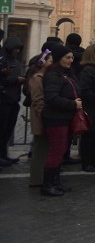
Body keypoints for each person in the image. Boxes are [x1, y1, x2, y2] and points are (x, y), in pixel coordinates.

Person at [40, 45, 82, 196]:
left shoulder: (64, 74)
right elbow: (51, 98)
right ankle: (47, 185)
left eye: (72, 57)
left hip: (64, 117)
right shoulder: (53, 75)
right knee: (56, 151)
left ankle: (56, 182)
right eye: (68, 57)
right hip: (55, 118)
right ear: (59, 59)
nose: (71, 60)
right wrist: (73, 104)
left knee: (61, 149)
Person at [24, 49, 53, 187]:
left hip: (44, 116)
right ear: (43, 62)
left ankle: (41, 177)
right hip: (41, 117)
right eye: (50, 61)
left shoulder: (43, 77)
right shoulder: (36, 78)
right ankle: (36, 179)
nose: (52, 63)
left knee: (43, 148)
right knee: (39, 149)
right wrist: (46, 116)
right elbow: (37, 101)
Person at [78, 44, 95, 172]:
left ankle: (93, 159)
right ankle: (86, 162)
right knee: (89, 136)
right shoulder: (88, 69)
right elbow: (85, 90)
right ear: (94, 54)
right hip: (91, 107)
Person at [0, 35, 26, 166]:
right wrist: (15, 79)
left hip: (13, 99)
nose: (17, 51)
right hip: (3, 99)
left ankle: (4, 154)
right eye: (16, 49)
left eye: (19, 49)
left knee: (7, 130)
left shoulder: (16, 62)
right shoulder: (2, 59)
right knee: (2, 129)